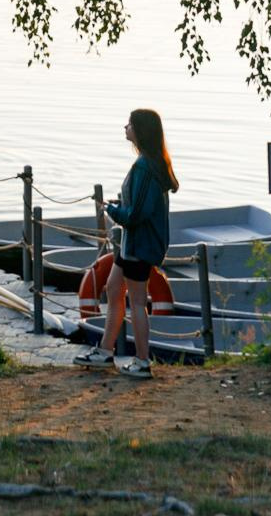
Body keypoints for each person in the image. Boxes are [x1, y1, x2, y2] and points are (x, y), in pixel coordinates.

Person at [74, 108, 179, 379]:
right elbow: (140, 204)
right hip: (131, 245)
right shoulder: (150, 162)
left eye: (129, 124)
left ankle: (142, 361)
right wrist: (119, 204)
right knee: (112, 288)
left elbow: (136, 215)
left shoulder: (145, 166)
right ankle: (105, 351)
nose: (125, 127)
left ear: (140, 131)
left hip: (140, 246)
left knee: (138, 301)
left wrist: (111, 210)